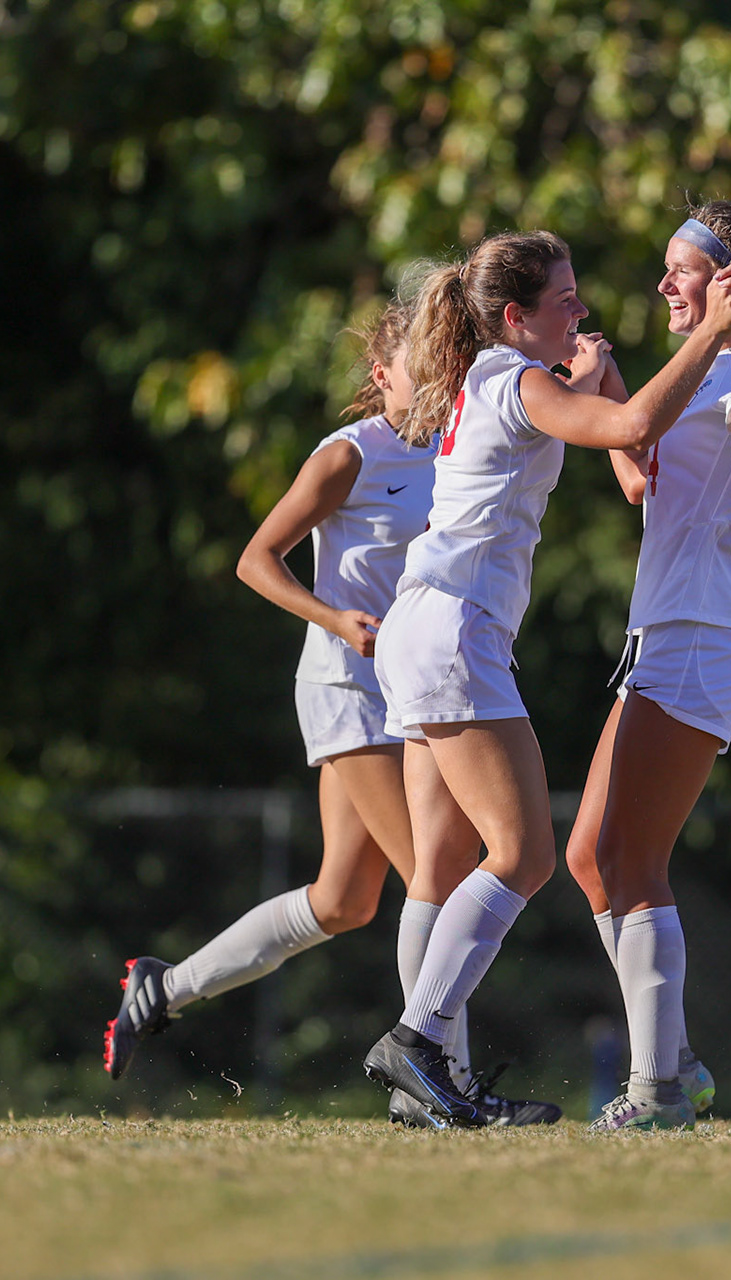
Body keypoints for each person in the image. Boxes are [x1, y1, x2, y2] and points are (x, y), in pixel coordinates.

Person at [358, 229, 731, 1128]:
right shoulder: (513, 379)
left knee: (448, 863)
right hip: (456, 628)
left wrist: (592, 372)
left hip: (428, 624)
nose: (582, 310)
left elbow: (586, 415)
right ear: (514, 317)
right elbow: (626, 431)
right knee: (526, 854)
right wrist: (714, 334)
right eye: (564, 301)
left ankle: (431, 1079)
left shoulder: (497, 379)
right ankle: (419, 1045)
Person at [103, 304, 435, 1084]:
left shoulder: (454, 450)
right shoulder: (349, 454)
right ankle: (430, 1069)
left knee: (345, 899)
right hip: (346, 684)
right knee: (438, 878)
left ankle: (163, 988)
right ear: (381, 376)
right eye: (416, 365)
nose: (432, 379)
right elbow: (256, 560)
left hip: (411, 687)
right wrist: (334, 618)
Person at [564, 201, 731, 1130]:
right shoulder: (703, 367)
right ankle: (672, 1061)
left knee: (634, 859)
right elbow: (649, 484)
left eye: (683, 270)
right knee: (591, 858)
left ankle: (658, 1092)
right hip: (671, 631)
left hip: (708, 634)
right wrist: (608, 386)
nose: (665, 284)